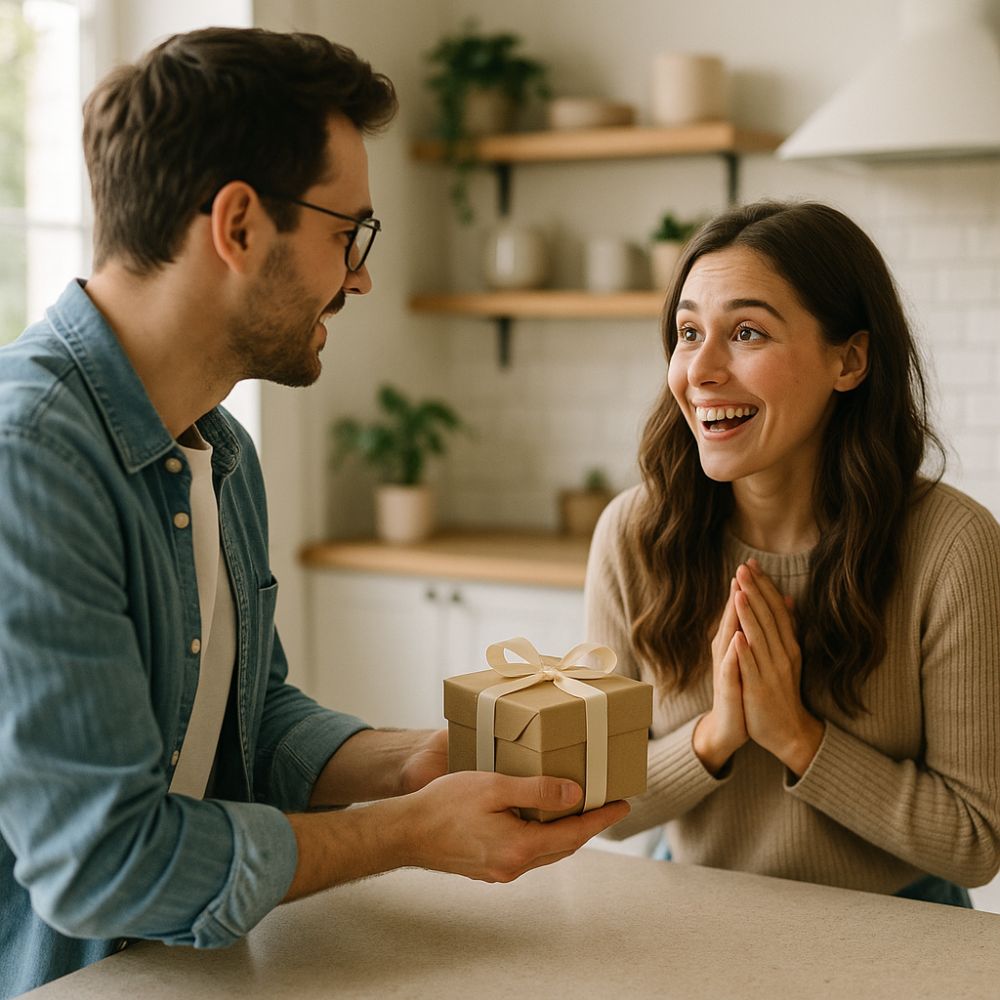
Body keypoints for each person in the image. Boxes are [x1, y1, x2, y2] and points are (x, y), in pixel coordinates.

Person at [0, 28, 629, 999]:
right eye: (349, 233)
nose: (362, 275)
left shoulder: (218, 447)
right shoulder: (28, 462)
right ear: (240, 226)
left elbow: (252, 719)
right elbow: (102, 865)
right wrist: (413, 835)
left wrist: (403, 766)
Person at [585, 200, 1000, 905]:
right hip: (695, 915)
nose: (702, 370)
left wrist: (798, 737)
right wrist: (714, 737)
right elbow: (601, 806)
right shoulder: (634, 535)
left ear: (850, 359)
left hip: (901, 933)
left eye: (745, 332)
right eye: (689, 333)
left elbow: (974, 842)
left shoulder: (952, 548)